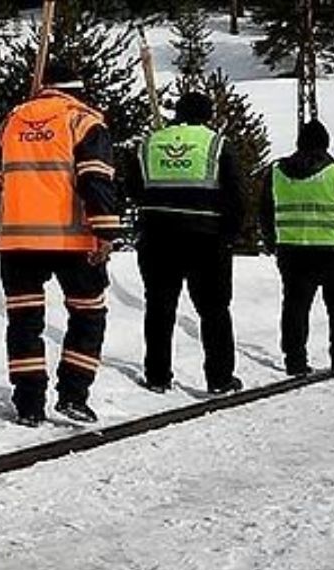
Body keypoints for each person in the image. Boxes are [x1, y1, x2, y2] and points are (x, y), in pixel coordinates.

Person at [0, 61, 122, 426]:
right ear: (78, 90)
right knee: (88, 314)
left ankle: (29, 405)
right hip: (71, 238)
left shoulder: (12, 120)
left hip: (17, 239)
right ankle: (73, 396)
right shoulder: (83, 121)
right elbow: (96, 179)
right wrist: (105, 231)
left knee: (24, 322)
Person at [129, 91, 245, 395]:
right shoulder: (217, 144)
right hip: (206, 238)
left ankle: (157, 376)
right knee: (214, 309)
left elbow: (133, 188)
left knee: (159, 307)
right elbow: (235, 194)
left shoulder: (150, 143)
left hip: (156, 236)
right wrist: (230, 235)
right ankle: (220, 378)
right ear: (207, 115)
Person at [261, 119, 334, 376]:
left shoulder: (275, 172)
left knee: (294, 306)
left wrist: (271, 241)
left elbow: (265, 212)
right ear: (326, 144)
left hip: (292, 251)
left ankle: (294, 360)